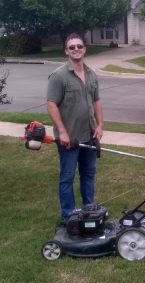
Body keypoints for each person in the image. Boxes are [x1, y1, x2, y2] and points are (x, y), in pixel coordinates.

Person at [47, 32, 104, 222]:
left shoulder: (91, 74)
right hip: (69, 139)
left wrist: (101, 125)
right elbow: (51, 104)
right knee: (67, 178)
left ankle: (89, 212)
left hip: (89, 135)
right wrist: (62, 132)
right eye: (72, 47)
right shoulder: (59, 76)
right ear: (66, 51)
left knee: (88, 174)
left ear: (84, 49)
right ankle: (69, 217)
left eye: (79, 46)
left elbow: (96, 101)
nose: (76, 49)